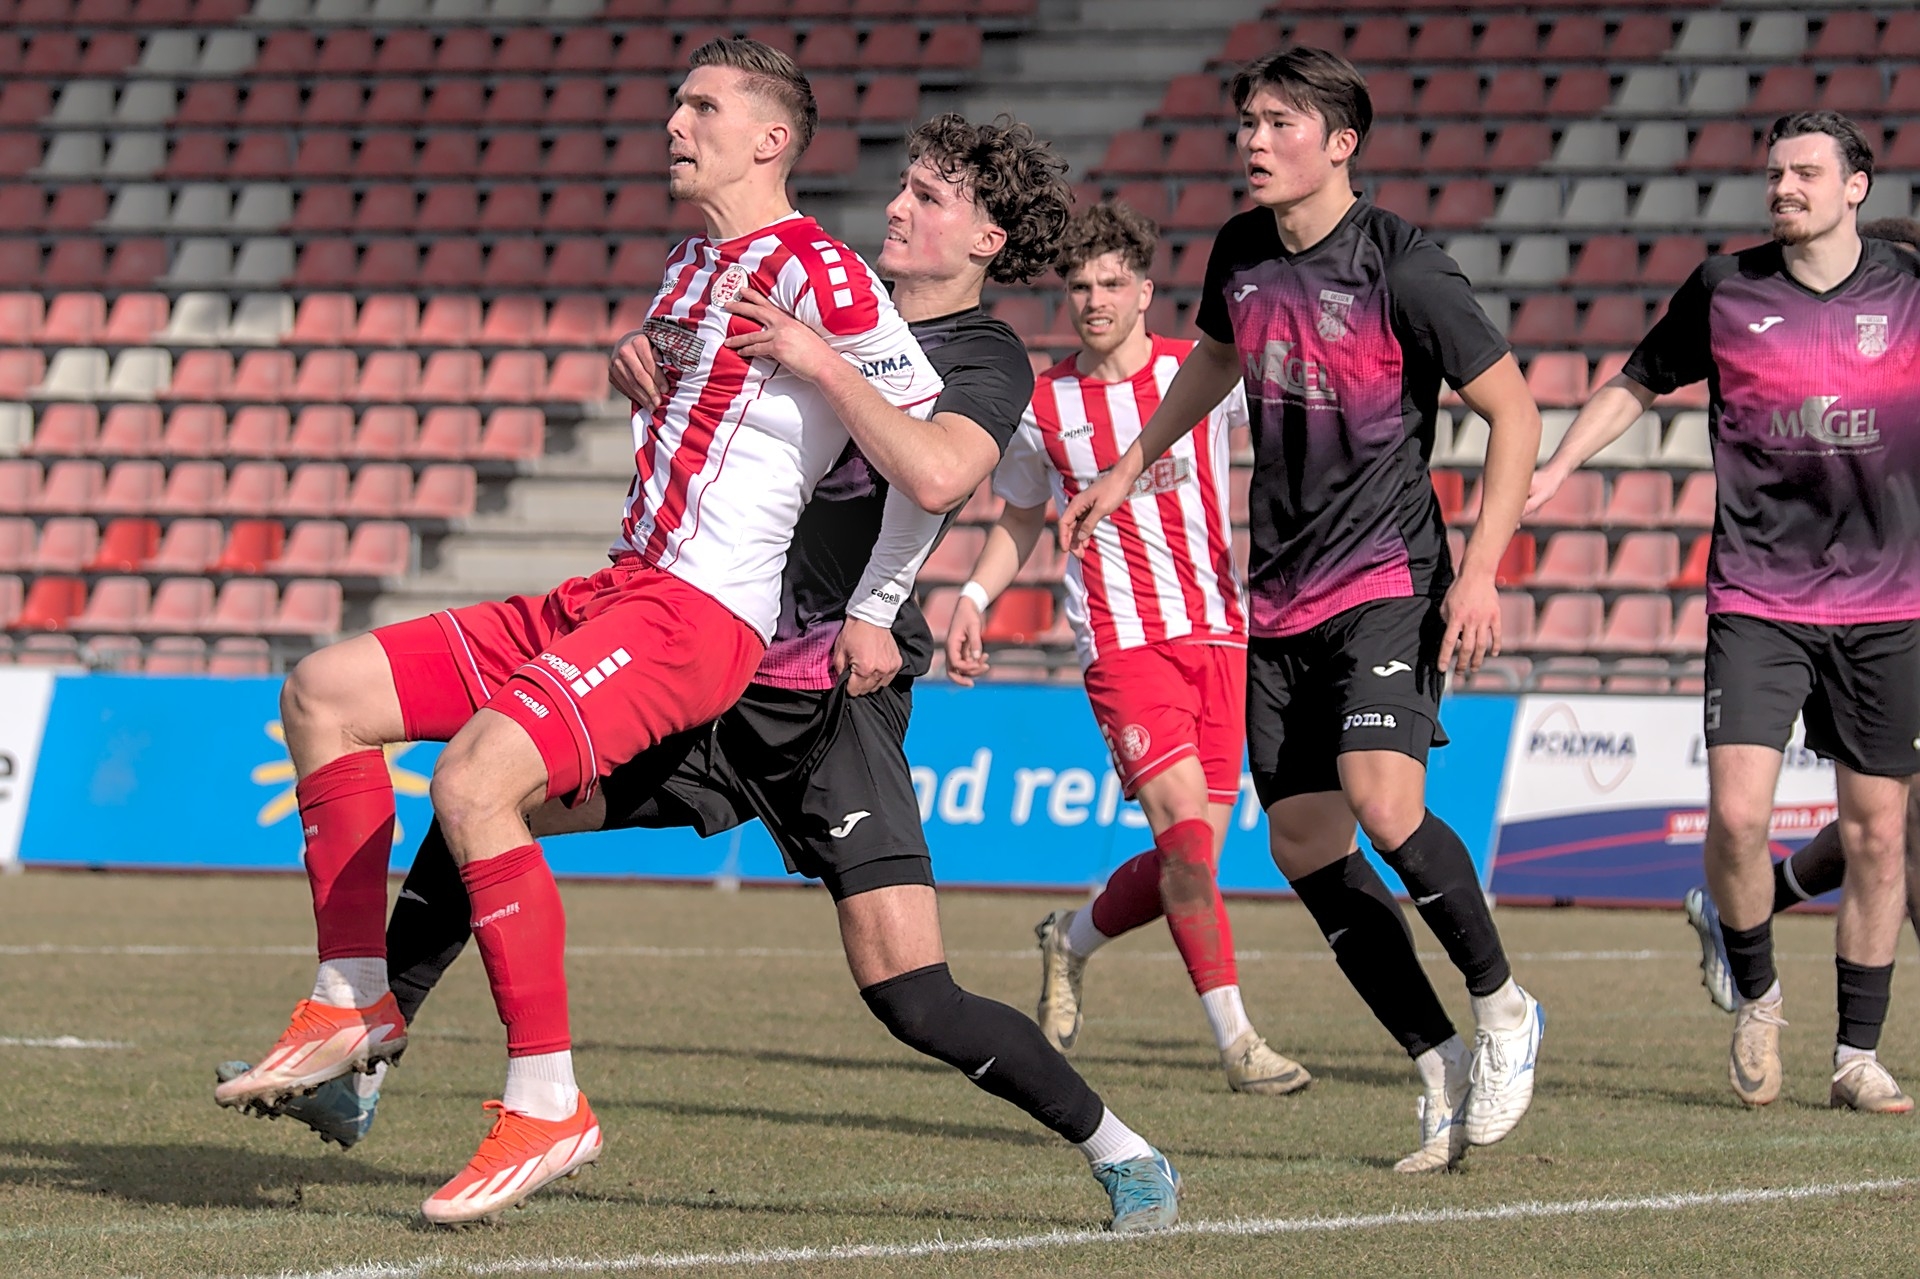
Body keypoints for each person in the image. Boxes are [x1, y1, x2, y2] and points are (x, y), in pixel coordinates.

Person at [221, 112, 1185, 1234]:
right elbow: (708, 405)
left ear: (987, 238)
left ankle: (1124, 1152)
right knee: (485, 790)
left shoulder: (981, 354)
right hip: (697, 664)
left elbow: (935, 473)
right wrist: (646, 358)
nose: (897, 207)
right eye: (903, 186)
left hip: (827, 704)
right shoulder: (812, 289)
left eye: (929, 197)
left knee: (913, 994)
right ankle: (365, 1059)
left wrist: (824, 373)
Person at [1058, 46, 1547, 1174]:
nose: (1254, 140)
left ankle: (1505, 1006)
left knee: (1383, 800)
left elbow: (1515, 412)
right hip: (1275, 596)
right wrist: (1132, 462)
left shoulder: (1404, 265)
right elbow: (1215, 359)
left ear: (1341, 143)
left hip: (1387, 576)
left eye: (1280, 122)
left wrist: (1480, 572)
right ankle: (1439, 1062)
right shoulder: (1239, 250)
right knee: (1303, 842)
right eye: (1248, 121)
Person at [1528, 111, 1920, 1114]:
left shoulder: (1909, 287)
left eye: (1805, 173)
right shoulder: (1727, 288)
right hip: (1759, 595)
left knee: (1879, 835)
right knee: (1740, 818)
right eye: (1775, 173)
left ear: (1857, 187)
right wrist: (1560, 465)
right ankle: (1759, 999)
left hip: (1888, 602)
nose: (1783, 187)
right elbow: (1636, 382)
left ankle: (1855, 1055)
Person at [943, 200, 1309, 1097]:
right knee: (1182, 835)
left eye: (1112, 283)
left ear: (1146, 291)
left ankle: (1069, 939)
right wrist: (976, 597)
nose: (1095, 300)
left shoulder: (1198, 371)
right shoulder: (1045, 403)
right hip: (1122, 644)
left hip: (1220, 635)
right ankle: (1238, 1042)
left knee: (1194, 862)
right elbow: (1020, 517)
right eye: (1080, 286)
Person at [1681, 216, 1920, 1014]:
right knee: (1891, 826)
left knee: (1885, 823)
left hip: (1893, 600)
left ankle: (1750, 902)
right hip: (1879, 600)